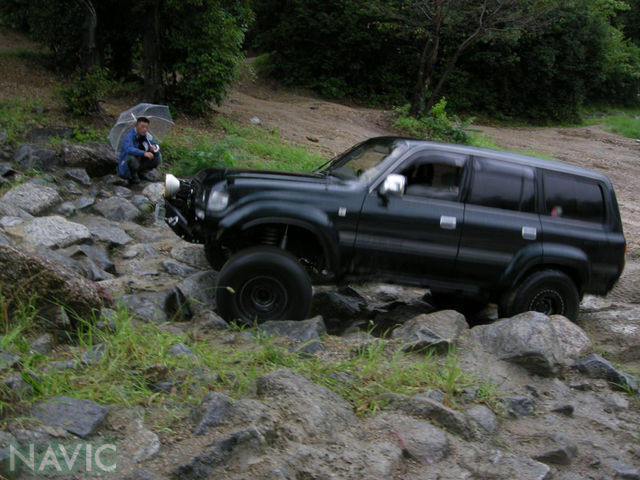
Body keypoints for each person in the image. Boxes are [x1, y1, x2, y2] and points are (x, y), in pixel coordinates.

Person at [117, 117, 162, 184]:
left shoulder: (147, 136)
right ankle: (133, 176)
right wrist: (144, 153)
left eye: (146, 127)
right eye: (142, 127)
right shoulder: (129, 136)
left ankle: (142, 172)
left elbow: (155, 144)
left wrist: (154, 148)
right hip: (128, 163)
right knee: (131, 158)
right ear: (136, 126)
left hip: (140, 161)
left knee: (158, 157)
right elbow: (129, 149)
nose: (145, 129)